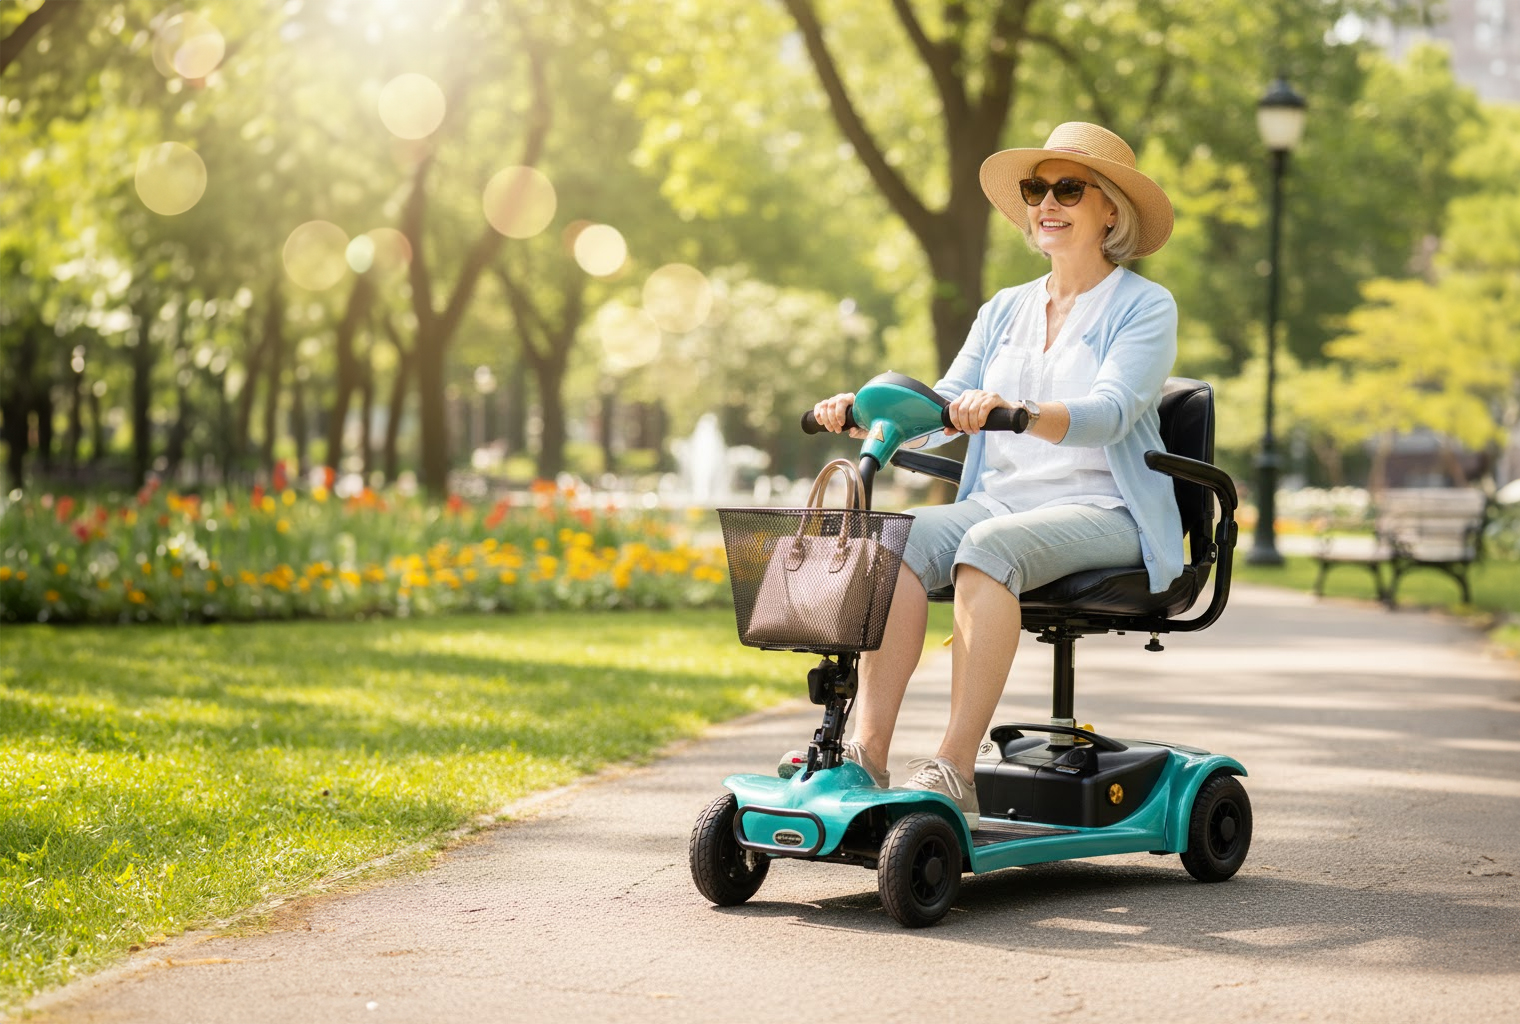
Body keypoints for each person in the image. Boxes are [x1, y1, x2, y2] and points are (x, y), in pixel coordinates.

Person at [806, 122, 1182, 829]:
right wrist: (868, 412)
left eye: (1068, 188)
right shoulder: (1005, 307)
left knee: (988, 548)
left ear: (1112, 210)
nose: (1048, 202)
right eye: (1037, 189)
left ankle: (953, 768)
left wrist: (1021, 411)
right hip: (1000, 501)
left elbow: (1111, 413)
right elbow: (944, 407)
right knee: (893, 539)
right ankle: (866, 755)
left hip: (1106, 510)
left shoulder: (1144, 306)